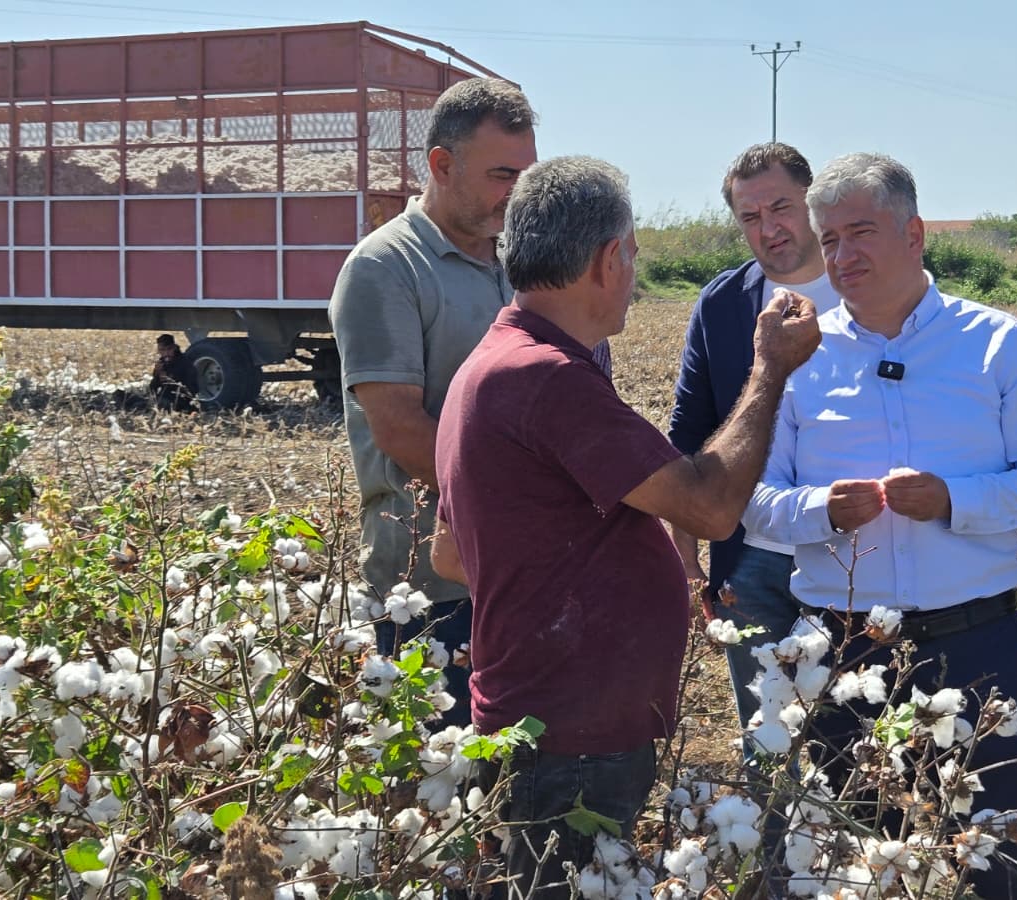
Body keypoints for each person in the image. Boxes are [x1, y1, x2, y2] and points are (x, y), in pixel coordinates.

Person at [430, 155, 820, 898]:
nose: (635, 273)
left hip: (540, 717)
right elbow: (708, 506)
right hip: (572, 734)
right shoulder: (545, 378)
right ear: (610, 259)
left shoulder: (492, 361)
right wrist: (770, 368)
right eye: (634, 253)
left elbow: (454, 553)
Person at [743, 153, 1017, 899]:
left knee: (999, 856)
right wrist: (820, 511)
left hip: (976, 645)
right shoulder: (800, 358)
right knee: (860, 861)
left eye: (860, 232)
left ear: (915, 233)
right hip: (845, 652)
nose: (842, 255)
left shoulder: (995, 341)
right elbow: (754, 502)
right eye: (828, 240)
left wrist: (955, 501)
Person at [327, 77, 538, 725]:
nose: (518, 193)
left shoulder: (517, 264)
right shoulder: (385, 268)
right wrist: (515, 514)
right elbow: (398, 427)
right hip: (425, 590)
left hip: (512, 574)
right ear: (441, 166)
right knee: (430, 779)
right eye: (504, 174)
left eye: (526, 176)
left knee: (506, 775)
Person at [668, 142, 842, 733]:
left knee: (856, 734)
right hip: (750, 559)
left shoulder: (868, 291)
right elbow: (690, 431)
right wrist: (687, 555)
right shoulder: (722, 303)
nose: (769, 229)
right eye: (750, 217)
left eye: (781, 207)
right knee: (769, 739)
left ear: (813, 204)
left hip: (857, 557)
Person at [150, 333, 198, 410]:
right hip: (164, 398)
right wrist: (157, 375)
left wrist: (169, 378)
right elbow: (153, 388)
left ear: (174, 348)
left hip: (181, 401)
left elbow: (191, 389)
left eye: (169, 349)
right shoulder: (162, 363)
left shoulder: (184, 362)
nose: (166, 353)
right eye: (162, 350)